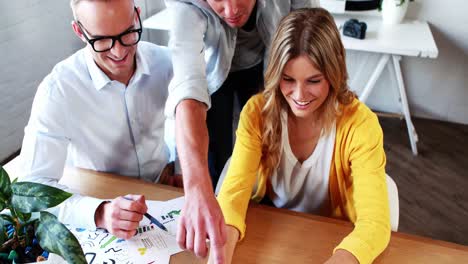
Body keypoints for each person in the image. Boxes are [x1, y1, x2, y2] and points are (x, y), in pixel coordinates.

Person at [215, 8, 391, 264]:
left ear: (334, 74)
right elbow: (232, 198)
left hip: (333, 236)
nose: (299, 95)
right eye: (288, 79)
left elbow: (375, 223)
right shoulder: (256, 113)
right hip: (273, 227)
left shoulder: (360, 125)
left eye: (313, 81)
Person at [163, 0, 319, 261]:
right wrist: (196, 188)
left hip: (267, 60)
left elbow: (315, 36)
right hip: (216, 69)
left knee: (271, 143)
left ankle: (267, 211)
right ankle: (221, 214)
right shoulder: (185, 6)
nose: (232, 10)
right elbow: (188, 91)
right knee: (217, 157)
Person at [18, 0, 178, 240]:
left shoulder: (166, 62)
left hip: (164, 188)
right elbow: (31, 189)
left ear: (137, 16)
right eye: (102, 40)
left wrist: (181, 165)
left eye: (127, 33)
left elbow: (192, 119)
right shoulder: (59, 89)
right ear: (79, 31)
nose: (119, 52)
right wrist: (99, 212)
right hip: (101, 198)